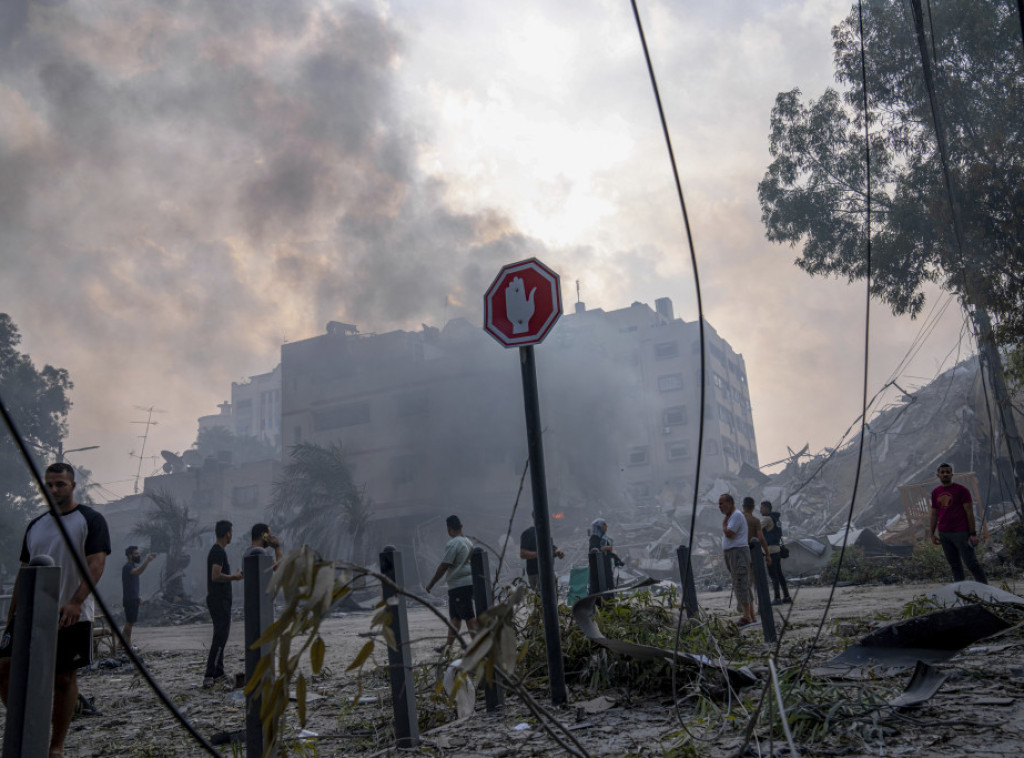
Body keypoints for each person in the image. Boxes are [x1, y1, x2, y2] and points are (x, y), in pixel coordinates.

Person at [0, 462, 111, 758]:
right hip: (31, 612)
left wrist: (75, 601)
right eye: (49, 484)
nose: (54, 489)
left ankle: (56, 746)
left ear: (72, 486)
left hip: (71, 611)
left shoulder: (90, 519)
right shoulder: (36, 525)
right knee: (5, 667)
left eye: (60, 484)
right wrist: (11, 618)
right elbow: (24, 572)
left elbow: (96, 564)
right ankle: (29, 721)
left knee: (63, 679)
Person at [424, 515, 476, 651]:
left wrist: (431, 584)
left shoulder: (453, 544)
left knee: (469, 617)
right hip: (465, 584)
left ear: (449, 529)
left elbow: (444, 566)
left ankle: (478, 646)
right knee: (455, 617)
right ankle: (448, 647)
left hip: (459, 585)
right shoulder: (468, 542)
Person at [930, 463, 987, 584]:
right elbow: (934, 514)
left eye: (947, 472)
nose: (945, 474)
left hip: (961, 533)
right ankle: (961, 593)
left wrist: (972, 533)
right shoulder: (935, 492)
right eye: (942, 472)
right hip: (945, 534)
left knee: (971, 563)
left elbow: (969, 512)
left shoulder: (962, 490)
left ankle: (986, 590)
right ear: (938, 475)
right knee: (955, 566)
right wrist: (932, 534)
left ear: (952, 474)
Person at [204, 520, 242, 688]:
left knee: (221, 637)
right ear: (227, 533)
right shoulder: (218, 552)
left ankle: (218, 673)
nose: (232, 535)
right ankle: (209, 675)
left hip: (220, 600)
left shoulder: (218, 551)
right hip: (219, 601)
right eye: (231, 532)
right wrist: (233, 577)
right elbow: (215, 576)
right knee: (220, 637)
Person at [719, 493, 755, 626]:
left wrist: (723, 525)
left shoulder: (735, 516)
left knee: (741, 582)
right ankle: (751, 615)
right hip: (732, 553)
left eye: (722, 503)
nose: (720, 507)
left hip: (738, 553)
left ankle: (746, 616)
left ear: (729, 503)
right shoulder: (732, 516)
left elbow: (729, 533)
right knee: (741, 582)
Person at [120, 545, 155, 651]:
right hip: (129, 599)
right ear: (130, 555)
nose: (138, 555)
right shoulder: (128, 567)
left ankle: (120, 644)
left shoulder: (132, 566)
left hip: (133, 598)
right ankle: (128, 645)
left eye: (138, 553)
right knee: (130, 622)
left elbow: (132, 585)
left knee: (130, 622)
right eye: (136, 554)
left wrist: (138, 596)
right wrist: (147, 561)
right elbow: (138, 572)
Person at [519, 513, 565, 589]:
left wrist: (558, 552)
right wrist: (541, 554)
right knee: (541, 599)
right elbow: (523, 553)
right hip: (537, 574)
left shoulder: (546, 533)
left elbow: (549, 548)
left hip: (549, 572)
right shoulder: (528, 533)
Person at [760, 500, 791, 605]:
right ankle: (786, 596)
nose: (760, 510)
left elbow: (757, 529)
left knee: (773, 575)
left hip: (770, 551)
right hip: (777, 549)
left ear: (767, 508)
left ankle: (777, 598)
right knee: (780, 575)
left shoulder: (767, 519)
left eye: (762, 507)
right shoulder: (776, 519)